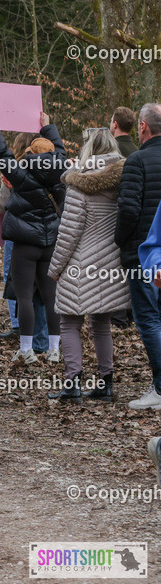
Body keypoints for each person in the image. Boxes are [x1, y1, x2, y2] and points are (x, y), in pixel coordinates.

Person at [46, 130, 127, 402]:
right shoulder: (123, 180)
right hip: (110, 263)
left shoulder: (79, 184)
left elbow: (68, 234)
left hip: (80, 265)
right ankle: (106, 383)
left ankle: (72, 384)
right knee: (101, 323)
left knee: (69, 322)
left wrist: (55, 268)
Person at [0, 110, 65, 365]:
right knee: (51, 298)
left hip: (25, 245)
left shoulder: (21, 173)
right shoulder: (61, 171)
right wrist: (48, 127)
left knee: (25, 297)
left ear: (31, 153)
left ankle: (27, 350)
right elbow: (60, 149)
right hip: (51, 243)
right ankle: (54, 350)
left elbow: (3, 155)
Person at [121, 104, 161, 409]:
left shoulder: (136, 161)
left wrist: (119, 241)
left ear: (143, 127)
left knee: (148, 319)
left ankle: (160, 388)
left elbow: (130, 209)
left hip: (143, 254)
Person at [0, 161, 49, 350]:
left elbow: (1, 206)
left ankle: (22, 332)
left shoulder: (13, 173)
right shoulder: (52, 169)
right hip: (48, 233)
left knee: (19, 286)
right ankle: (44, 341)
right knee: (43, 289)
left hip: (20, 233)